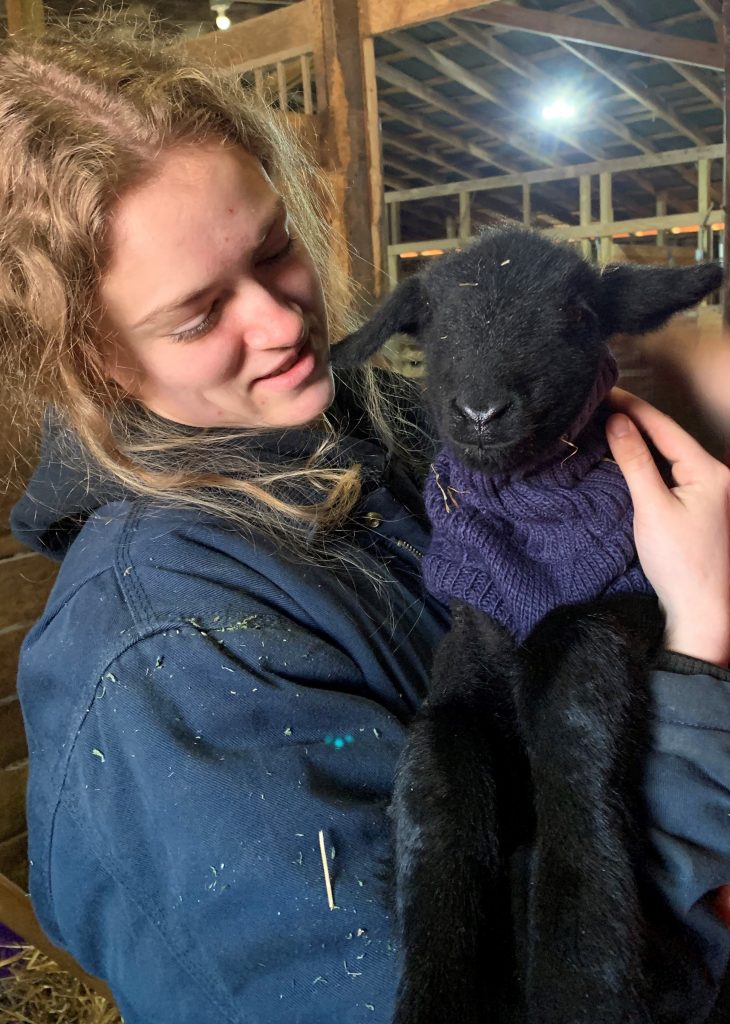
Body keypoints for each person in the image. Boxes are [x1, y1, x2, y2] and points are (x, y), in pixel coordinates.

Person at [3, 18, 730, 1024]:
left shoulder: (368, 430)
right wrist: (699, 654)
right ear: (89, 356)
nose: (281, 319)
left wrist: (682, 365)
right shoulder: (165, 663)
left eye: (275, 247)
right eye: (199, 313)